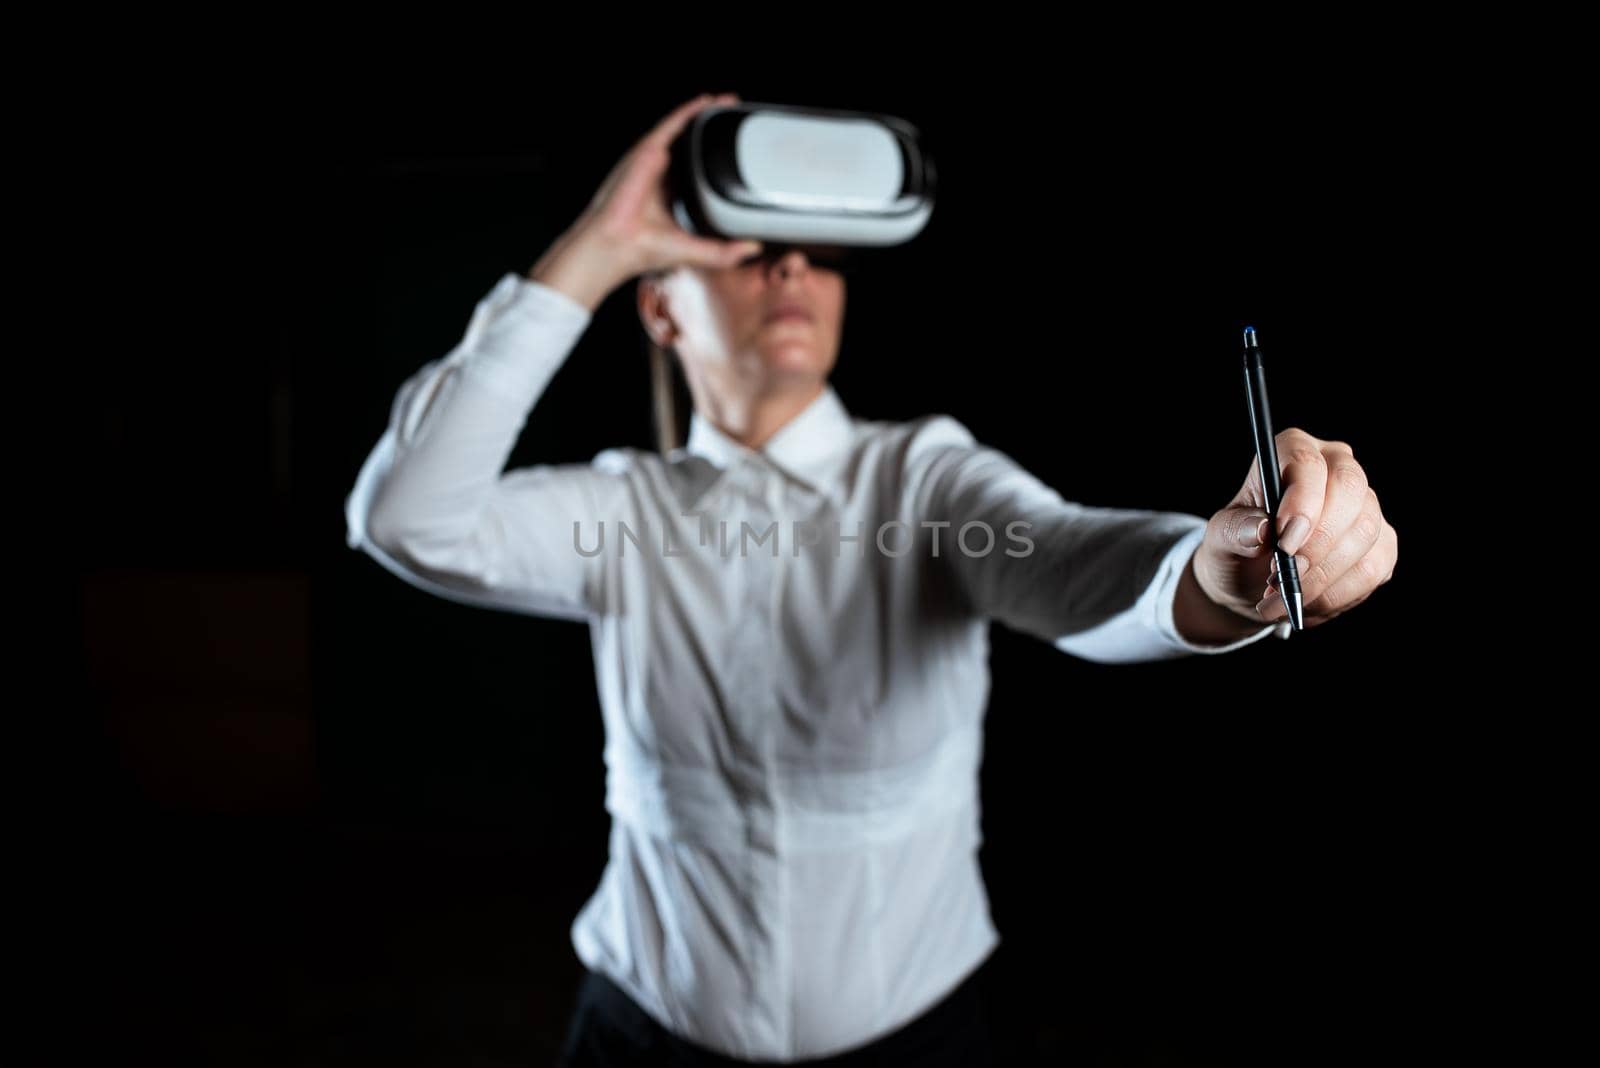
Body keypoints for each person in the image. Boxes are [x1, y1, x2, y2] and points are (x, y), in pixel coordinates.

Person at [344, 92, 1399, 1066]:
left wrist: (1217, 574)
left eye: (815, 256)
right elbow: (405, 517)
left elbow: (1072, 558)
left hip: (916, 1040)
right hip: (641, 1030)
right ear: (659, 309)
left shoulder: (924, 478)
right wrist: (597, 246)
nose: (789, 273)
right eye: (748, 250)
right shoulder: (622, 513)